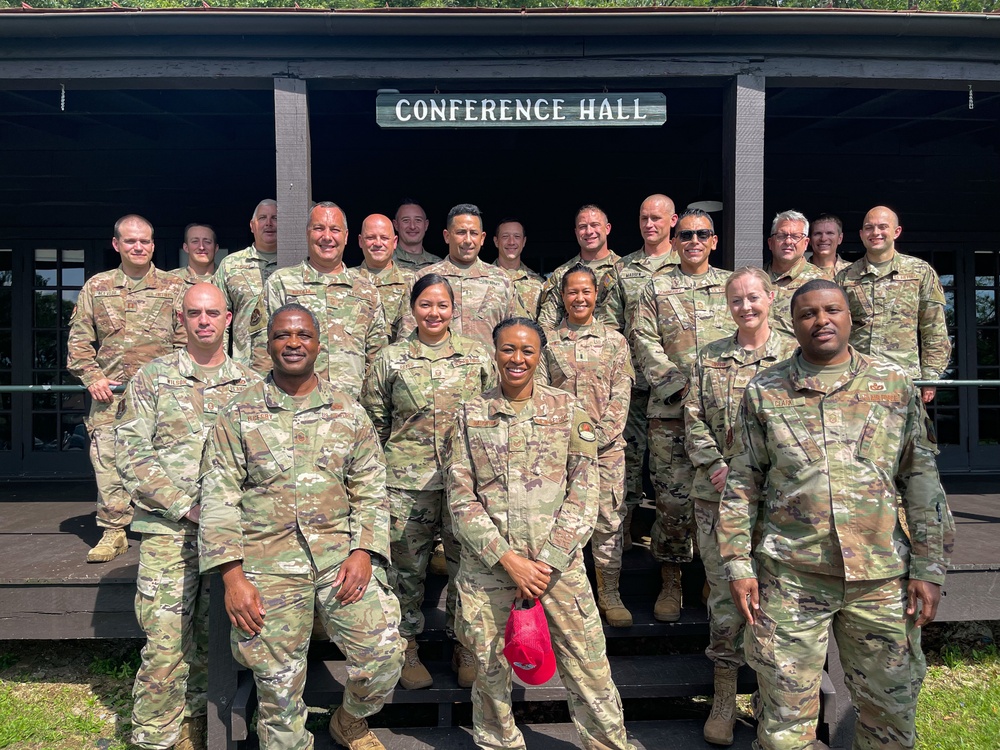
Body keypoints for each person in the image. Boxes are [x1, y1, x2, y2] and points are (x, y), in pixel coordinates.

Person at [718, 279, 955, 750]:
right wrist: (737, 564)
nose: (821, 320)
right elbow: (743, 483)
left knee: (890, 714)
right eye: (808, 314)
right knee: (785, 722)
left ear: (850, 318)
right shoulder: (764, 390)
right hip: (791, 576)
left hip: (881, 576)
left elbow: (921, 480)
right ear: (794, 323)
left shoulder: (893, 385)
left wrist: (930, 566)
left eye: (832, 310)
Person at [199, 303, 404, 750]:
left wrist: (364, 551)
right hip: (266, 566)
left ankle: (349, 721)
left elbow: (372, 490)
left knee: (386, 655)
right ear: (268, 344)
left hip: (339, 560)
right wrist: (232, 578)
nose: (293, 343)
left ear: (317, 343)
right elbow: (219, 498)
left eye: (303, 335)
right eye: (282, 336)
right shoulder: (238, 414)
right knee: (277, 689)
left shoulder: (348, 412)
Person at [448, 317, 635, 750]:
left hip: (559, 569)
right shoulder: (470, 413)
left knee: (590, 671)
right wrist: (508, 559)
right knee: (490, 676)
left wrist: (547, 560)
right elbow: (460, 498)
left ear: (540, 355)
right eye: (508, 349)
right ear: (494, 353)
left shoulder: (568, 411)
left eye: (527, 350)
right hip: (490, 570)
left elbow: (585, 490)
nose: (517, 359)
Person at [116, 283, 259, 750]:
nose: (203, 321)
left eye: (213, 313)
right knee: (164, 642)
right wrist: (185, 505)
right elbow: (131, 453)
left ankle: (194, 726)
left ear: (228, 319)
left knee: (211, 638)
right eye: (194, 313)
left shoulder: (251, 384)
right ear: (181, 319)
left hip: (230, 536)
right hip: (169, 530)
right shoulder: (152, 379)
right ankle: (154, 736)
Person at [360, 274, 496, 691]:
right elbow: (375, 423)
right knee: (406, 570)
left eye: (441, 305)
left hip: (463, 487)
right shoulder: (390, 359)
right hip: (407, 486)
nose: (433, 313)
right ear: (412, 308)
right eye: (425, 305)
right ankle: (407, 645)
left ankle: (465, 644)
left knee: (468, 567)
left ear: (453, 310)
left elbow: (491, 416)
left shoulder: (477, 357)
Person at [683, 267, 796, 746]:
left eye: (753, 297)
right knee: (727, 597)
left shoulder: (794, 354)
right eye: (736, 300)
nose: (746, 306)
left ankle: (776, 699)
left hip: (782, 502)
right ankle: (725, 695)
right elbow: (691, 418)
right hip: (718, 498)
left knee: (780, 598)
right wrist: (718, 466)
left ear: (770, 298)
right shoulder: (709, 359)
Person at [630, 208, 735, 622]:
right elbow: (643, 339)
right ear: (675, 239)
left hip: (721, 416)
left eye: (702, 234)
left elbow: (749, 335)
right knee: (672, 502)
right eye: (687, 234)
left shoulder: (731, 286)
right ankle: (671, 579)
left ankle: (714, 578)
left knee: (720, 499)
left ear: (713, 240)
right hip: (671, 413)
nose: (693, 240)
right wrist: (678, 383)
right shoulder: (656, 287)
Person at [67, 213, 186, 563]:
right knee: (108, 462)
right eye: (130, 241)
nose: (138, 246)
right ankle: (113, 532)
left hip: (161, 396)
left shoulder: (174, 288)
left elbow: (186, 340)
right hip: (111, 396)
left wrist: (175, 384)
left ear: (153, 245)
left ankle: (168, 527)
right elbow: (79, 342)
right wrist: (93, 377)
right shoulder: (96, 287)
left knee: (166, 462)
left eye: (145, 241)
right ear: (116, 245)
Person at [537, 264, 634, 627]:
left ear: (596, 296)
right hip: (559, 452)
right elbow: (542, 394)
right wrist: (571, 441)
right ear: (563, 297)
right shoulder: (546, 340)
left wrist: (596, 439)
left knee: (608, 521)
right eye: (572, 292)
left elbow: (621, 396)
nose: (579, 298)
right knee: (560, 523)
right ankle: (565, 598)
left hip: (606, 451)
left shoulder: (615, 341)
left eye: (586, 291)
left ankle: (609, 592)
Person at [602, 193, 680, 549]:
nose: (650, 224)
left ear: (673, 221)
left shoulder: (686, 264)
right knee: (626, 468)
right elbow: (607, 325)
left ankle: (674, 565)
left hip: (675, 391)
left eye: (657, 218)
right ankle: (626, 543)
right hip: (633, 389)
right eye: (644, 218)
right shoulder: (623, 269)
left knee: (673, 475)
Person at [250, 202, 387, 399]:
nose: (327, 237)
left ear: (346, 236)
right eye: (319, 228)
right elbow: (263, 351)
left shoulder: (366, 291)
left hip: (349, 414)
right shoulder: (281, 283)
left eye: (335, 229)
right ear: (307, 233)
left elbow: (376, 360)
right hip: (291, 409)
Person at [837, 205, 952, 404]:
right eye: (869, 228)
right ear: (862, 234)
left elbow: (933, 327)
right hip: (856, 378)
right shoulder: (845, 277)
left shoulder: (920, 272)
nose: (875, 233)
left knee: (905, 435)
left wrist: (931, 376)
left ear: (896, 232)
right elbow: (836, 329)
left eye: (883, 227)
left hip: (903, 379)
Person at [398, 204, 517, 353]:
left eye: (473, 233)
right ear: (447, 236)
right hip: (436, 373)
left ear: (482, 238)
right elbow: (407, 335)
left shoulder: (502, 281)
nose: (468, 240)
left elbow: (513, 336)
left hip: (488, 374)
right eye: (461, 232)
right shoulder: (425, 279)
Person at [213, 199, 279, 365]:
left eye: (275, 218)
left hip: (289, 366)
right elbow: (218, 319)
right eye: (263, 218)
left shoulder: (296, 264)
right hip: (245, 366)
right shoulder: (231, 265)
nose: (269, 223)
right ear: (252, 225)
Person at [537, 204, 620, 329]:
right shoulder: (562, 273)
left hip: (616, 346)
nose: (589, 231)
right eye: (583, 227)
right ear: (576, 232)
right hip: (571, 345)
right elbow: (547, 323)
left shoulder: (624, 269)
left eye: (595, 225)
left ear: (607, 228)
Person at [765, 210, 827, 338]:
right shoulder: (757, 279)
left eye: (795, 237)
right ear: (770, 243)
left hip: (798, 356)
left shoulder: (820, 282)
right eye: (782, 236)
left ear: (805, 243)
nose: (788, 241)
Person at [355, 213, 415, 342]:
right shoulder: (346, 280)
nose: (378, 243)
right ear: (360, 241)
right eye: (371, 237)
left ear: (394, 242)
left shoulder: (413, 282)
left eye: (384, 238)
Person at [492, 218, 544, 319]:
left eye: (517, 236)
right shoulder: (482, 279)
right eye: (505, 236)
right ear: (496, 241)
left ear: (523, 241)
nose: (511, 242)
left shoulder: (538, 283)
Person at [392, 199, 441, 270]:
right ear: (396, 225)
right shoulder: (385, 261)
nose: (412, 226)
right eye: (406, 220)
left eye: (418, 220)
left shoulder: (439, 265)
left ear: (426, 225)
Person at [807, 213, 851, 278]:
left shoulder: (855, 271)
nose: (823, 239)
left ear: (840, 238)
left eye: (830, 233)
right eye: (818, 234)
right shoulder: (796, 272)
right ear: (809, 239)